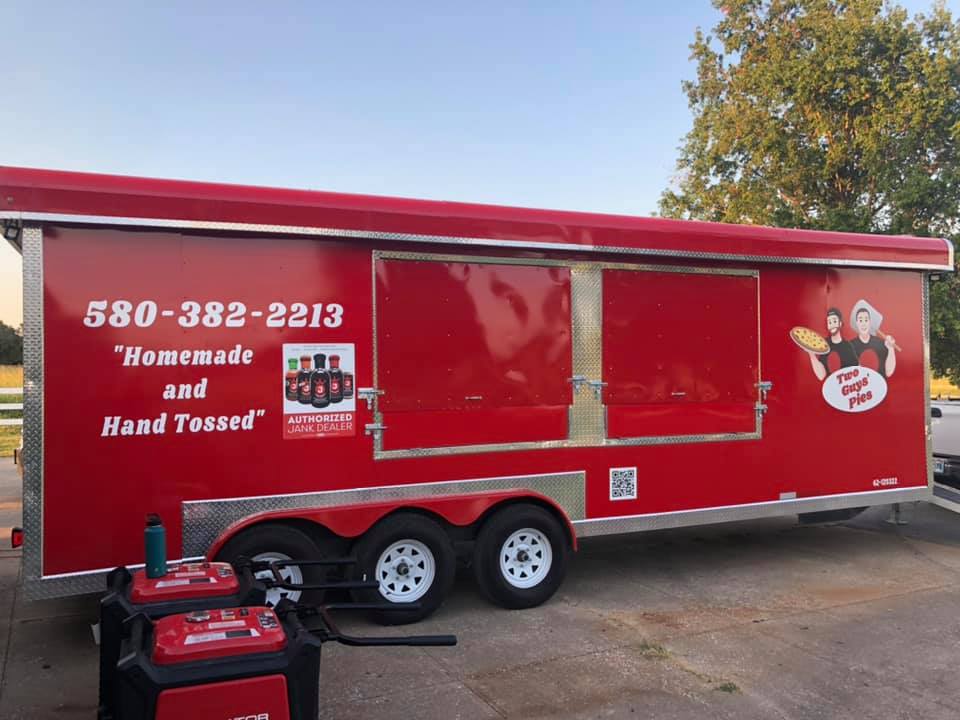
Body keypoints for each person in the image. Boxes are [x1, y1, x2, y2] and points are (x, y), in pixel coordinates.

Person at [808, 307, 858, 381]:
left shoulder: (848, 346)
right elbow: (821, 375)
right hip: (829, 389)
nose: (832, 325)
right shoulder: (824, 345)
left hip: (845, 389)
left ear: (840, 323)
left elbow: (856, 372)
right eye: (829, 322)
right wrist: (811, 354)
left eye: (834, 321)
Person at [851, 306, 896, 378]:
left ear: (870, 322)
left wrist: (891, 349)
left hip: (879, 387)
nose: (863, 324)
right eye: (860, 320)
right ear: (857, 323)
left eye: (866, 320)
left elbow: (889, 372)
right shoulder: (850, 346)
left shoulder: (880, 344)